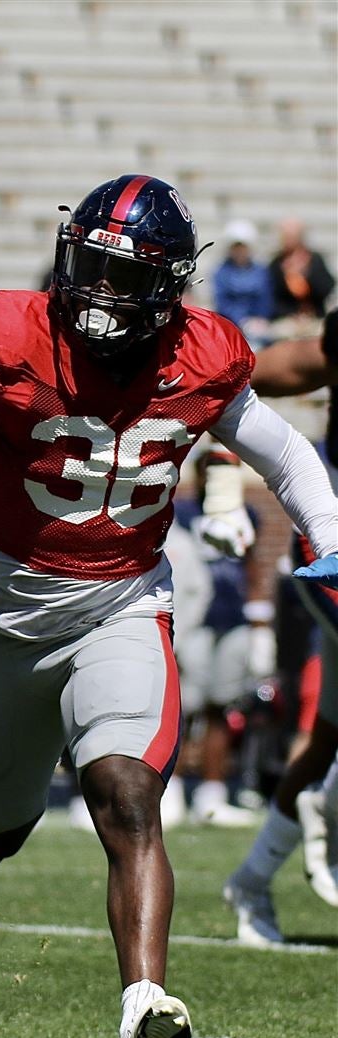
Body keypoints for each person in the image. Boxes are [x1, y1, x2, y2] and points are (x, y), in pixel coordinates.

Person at [0, 174, 338, 1038]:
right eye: (89, 264)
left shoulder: (202, 356)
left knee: (127, 797)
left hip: (122, 601)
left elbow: (286, 452)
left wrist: (333, 543)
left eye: (123, 275)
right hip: (6, 623)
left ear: (171, 288)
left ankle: (144, 1004)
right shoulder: (14, 332)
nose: (99, 290)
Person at [225, 309, 338, 943]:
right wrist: (220, 483)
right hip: (333, 545)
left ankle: (252, 879)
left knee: (326, 737)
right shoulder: (326, 350)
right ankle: (329, 808)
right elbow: (229, 378)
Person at [172, 449, 262, 826]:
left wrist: (259, 616)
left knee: (221, 707)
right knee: (179, 707)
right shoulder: (183, 513)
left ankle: (212, 793)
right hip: (193, 620)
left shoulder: (248, 514)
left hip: (231, 619)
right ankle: (170, 791)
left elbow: (251, 565)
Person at [211, 219, 273, 348]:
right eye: (236, 247)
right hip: (230, 326)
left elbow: (265, 298)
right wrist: (242, 321)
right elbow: (222, 303)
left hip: (258, 327)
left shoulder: (260, 271)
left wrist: (260, 319)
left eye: (243, 247)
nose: (240, 252)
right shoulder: (221, 272)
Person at [267, 217, 335, 325]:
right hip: (287, 320)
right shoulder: (277, 263)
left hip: (314, 318)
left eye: (292, 236)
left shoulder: (314, 259)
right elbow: (272, 297)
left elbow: (326, 288)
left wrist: (307, 273)